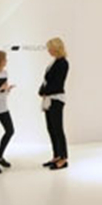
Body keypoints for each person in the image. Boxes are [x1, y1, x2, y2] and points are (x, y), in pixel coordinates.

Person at [39, 37, 69, 170]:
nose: (48, 50)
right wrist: (42, 90)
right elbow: (47, 80)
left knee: (58, 129)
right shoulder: (54, 62)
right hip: (49, 99)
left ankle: (63, 158)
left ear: (56, 48)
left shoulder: (63, 63)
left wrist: (44, 91)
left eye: (50, 48)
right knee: (51, 128)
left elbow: (57, 83)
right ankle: (56, 155)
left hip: (56, 99)